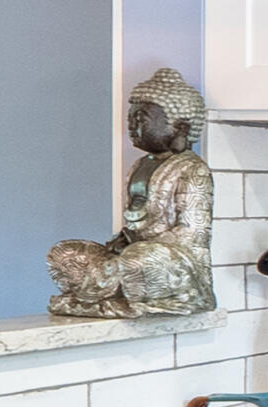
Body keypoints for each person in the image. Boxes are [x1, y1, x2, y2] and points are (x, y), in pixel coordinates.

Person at [48, 67, 217, 317]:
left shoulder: (193, 169)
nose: (133, 125)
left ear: (180, 128)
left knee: (138, 260)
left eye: (143, 118)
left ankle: (100, 291)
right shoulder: (139, 165)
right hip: (132, 252)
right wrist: (122, 240)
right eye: (131, 118)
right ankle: (107, 289)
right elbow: (136, 219)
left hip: (172, 261)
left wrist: (138, 249)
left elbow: (193, 233)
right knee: (66, 253)